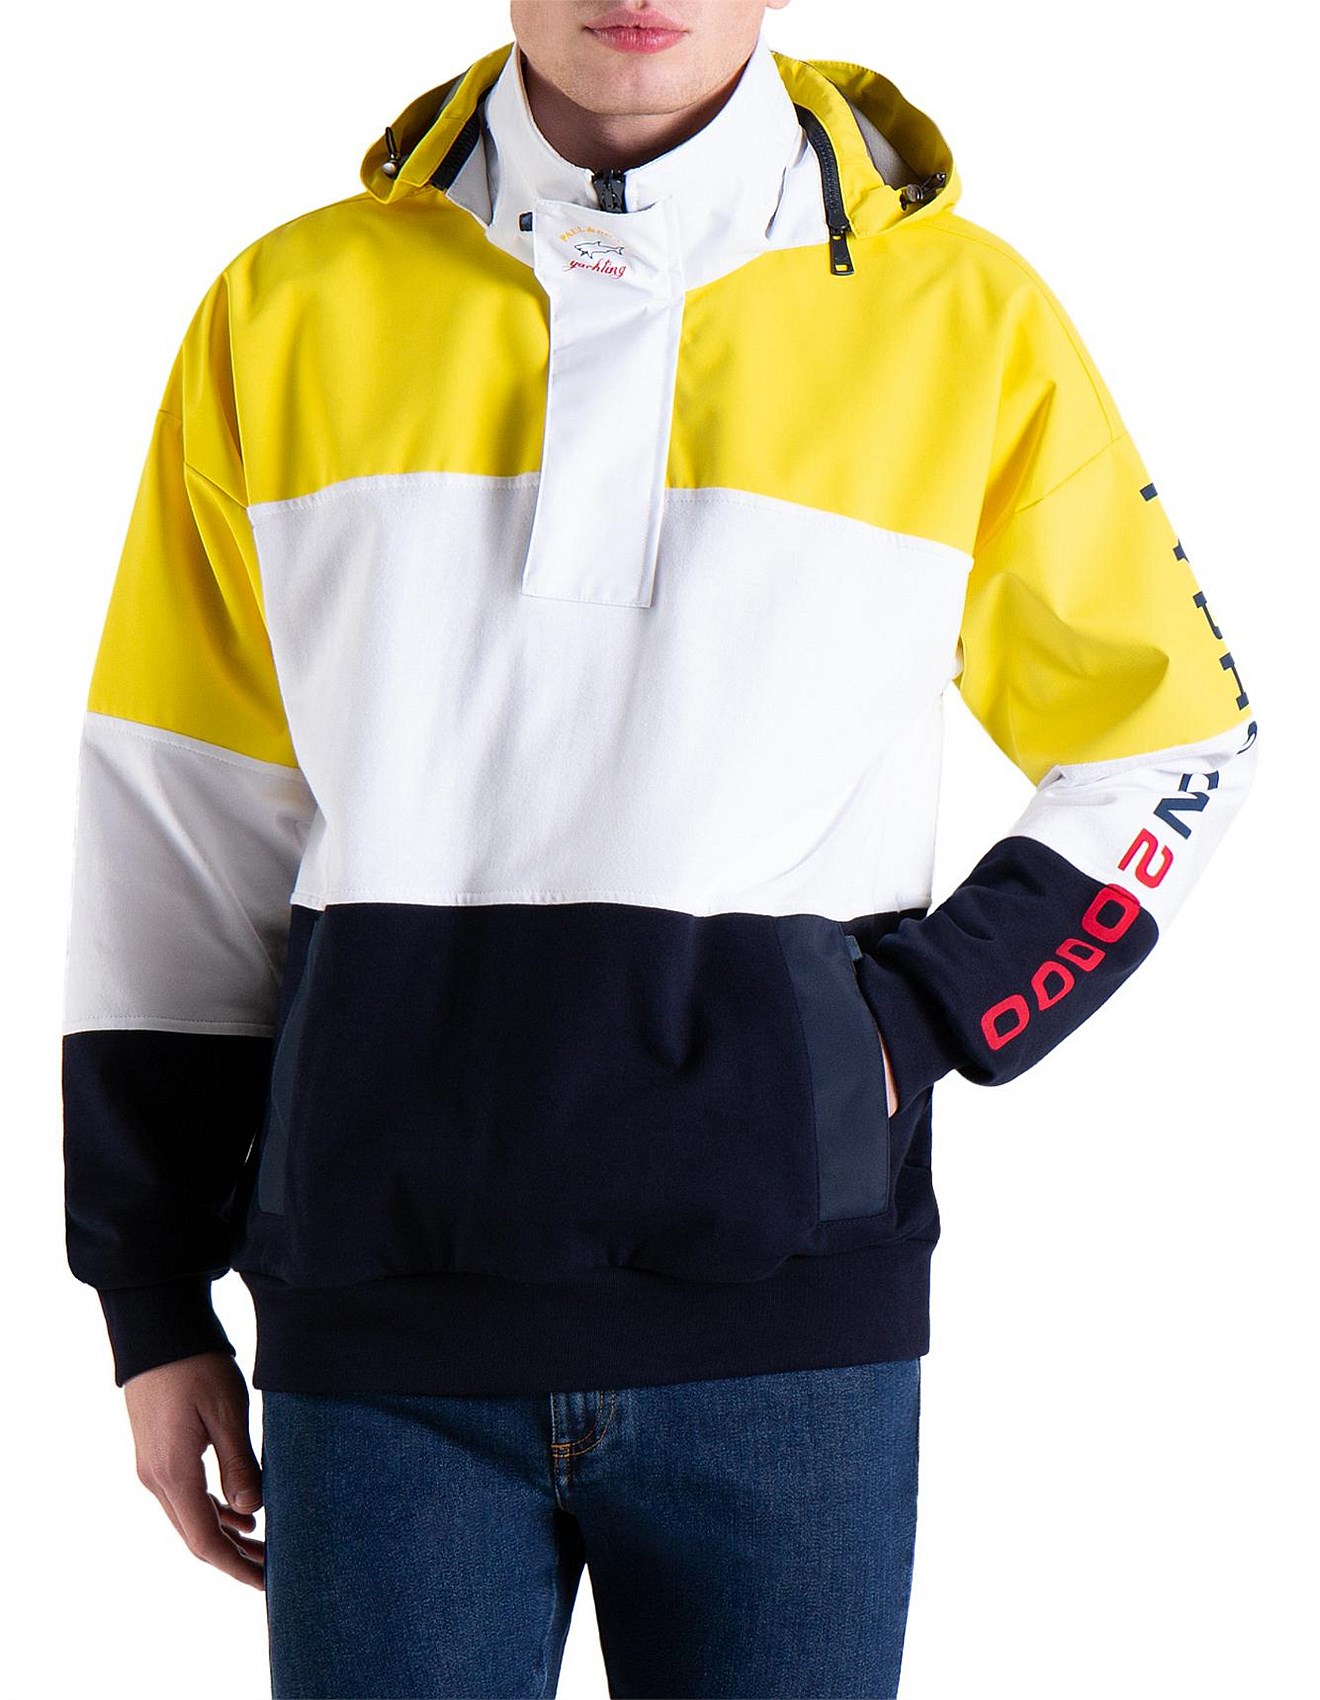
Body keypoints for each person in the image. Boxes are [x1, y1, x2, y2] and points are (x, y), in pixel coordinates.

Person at [59, 2, 1258, 1696]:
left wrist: (913, 1024)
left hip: (792, 1342)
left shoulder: (964, 319)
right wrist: (150, 1298)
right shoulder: (286, 307)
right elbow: (178, 814)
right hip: (378, 1334)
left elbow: (1171, 741)